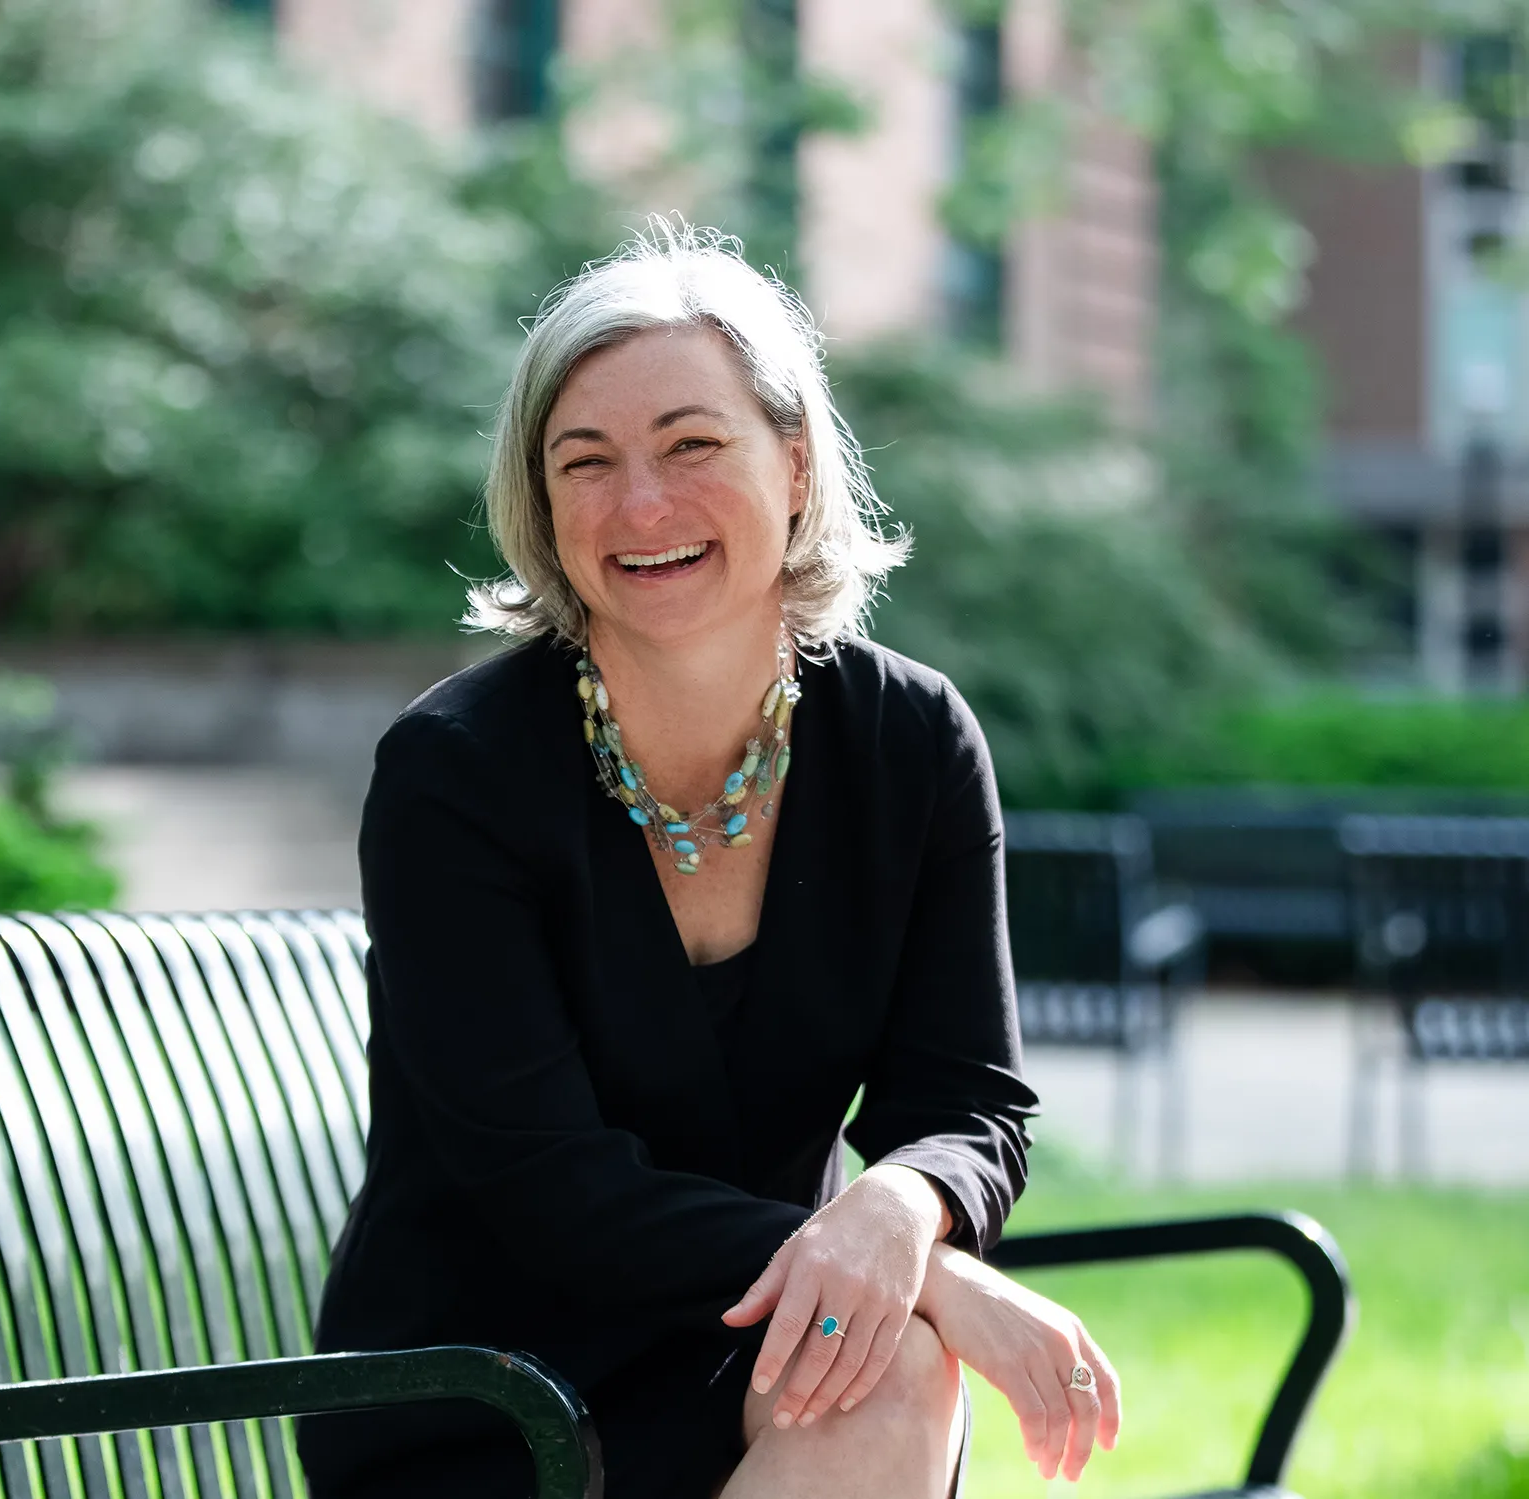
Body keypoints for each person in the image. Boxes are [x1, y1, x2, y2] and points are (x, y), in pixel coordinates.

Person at [296, 224, 1121, 1499]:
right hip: (482, 1395)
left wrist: (903, 1214)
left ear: (794, 463)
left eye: (693, 445)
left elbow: (968, 1100)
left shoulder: (910, 741)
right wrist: (936, 1274)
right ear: (545, 505)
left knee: (888, 1360)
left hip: (744, 1345)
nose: (642, 506)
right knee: (885, 1334)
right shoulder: (454, 773)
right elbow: (544, 1181)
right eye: (588, 463)